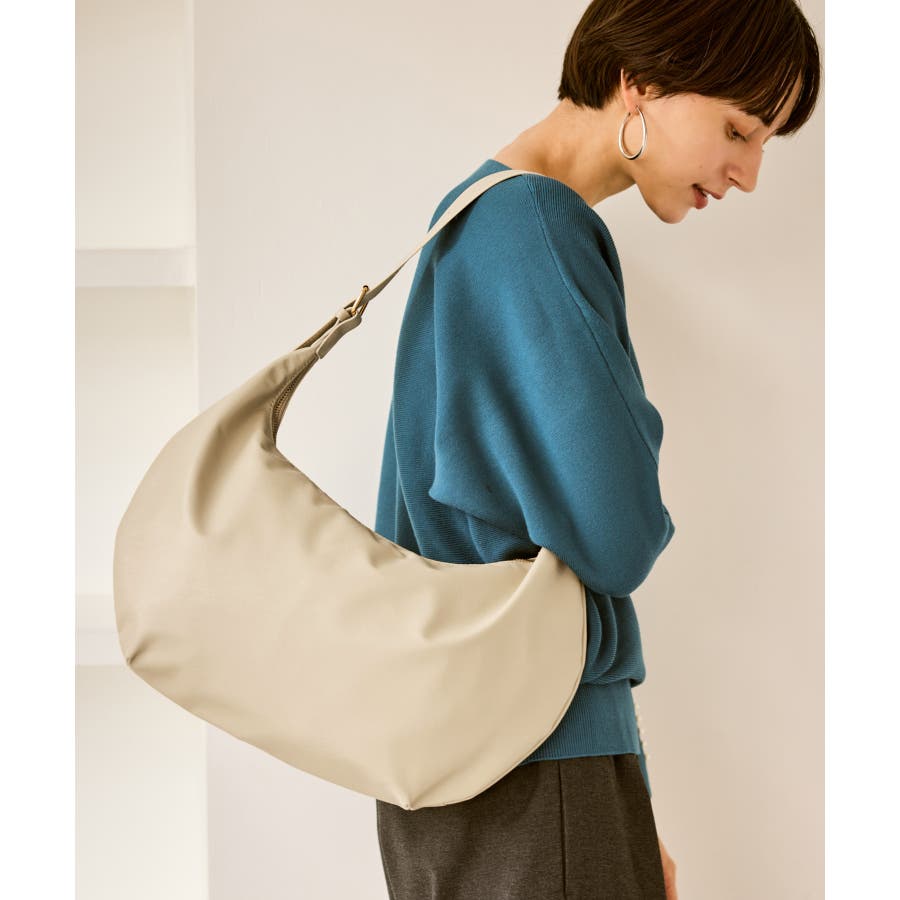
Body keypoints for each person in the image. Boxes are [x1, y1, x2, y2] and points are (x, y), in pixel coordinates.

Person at [373, 1, 822, 898]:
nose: (748, 175)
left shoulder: (484, 213)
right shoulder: (535, 225)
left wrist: (628, 802)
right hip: (536, 778)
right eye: (739, 130)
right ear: (639, 80)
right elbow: (618, 537)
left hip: (487, 766)